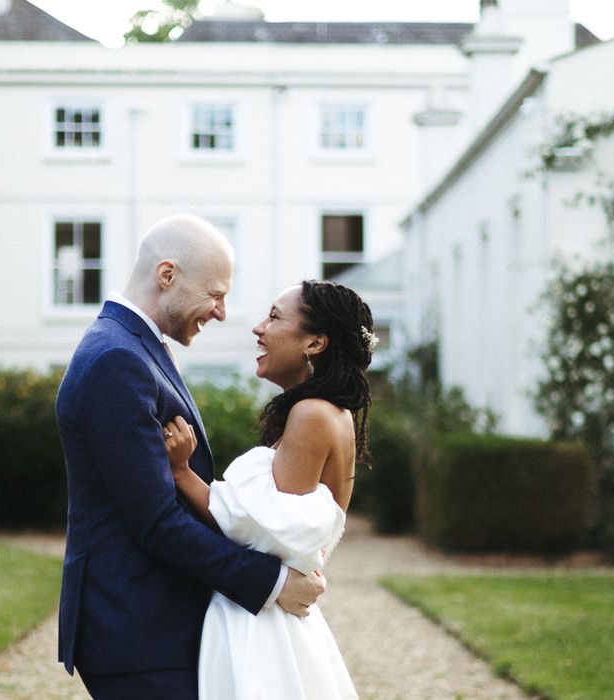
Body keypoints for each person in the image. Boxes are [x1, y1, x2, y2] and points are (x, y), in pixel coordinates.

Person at [55, 214, 326, 700]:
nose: (222, 312)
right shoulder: (117, 360)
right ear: (167, 276)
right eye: (216, 294)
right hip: (136, 630)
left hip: (151, 624)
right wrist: (270, 582)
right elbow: (155, 520)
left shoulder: (134, 348)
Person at [163, 279, 376, 700]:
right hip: (270, 612)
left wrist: (182, 472)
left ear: (315, 342)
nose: (259, 328)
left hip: (263, 626)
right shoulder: (330, 412)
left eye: (275, 317)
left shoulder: (312, 414)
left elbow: (264, 528)